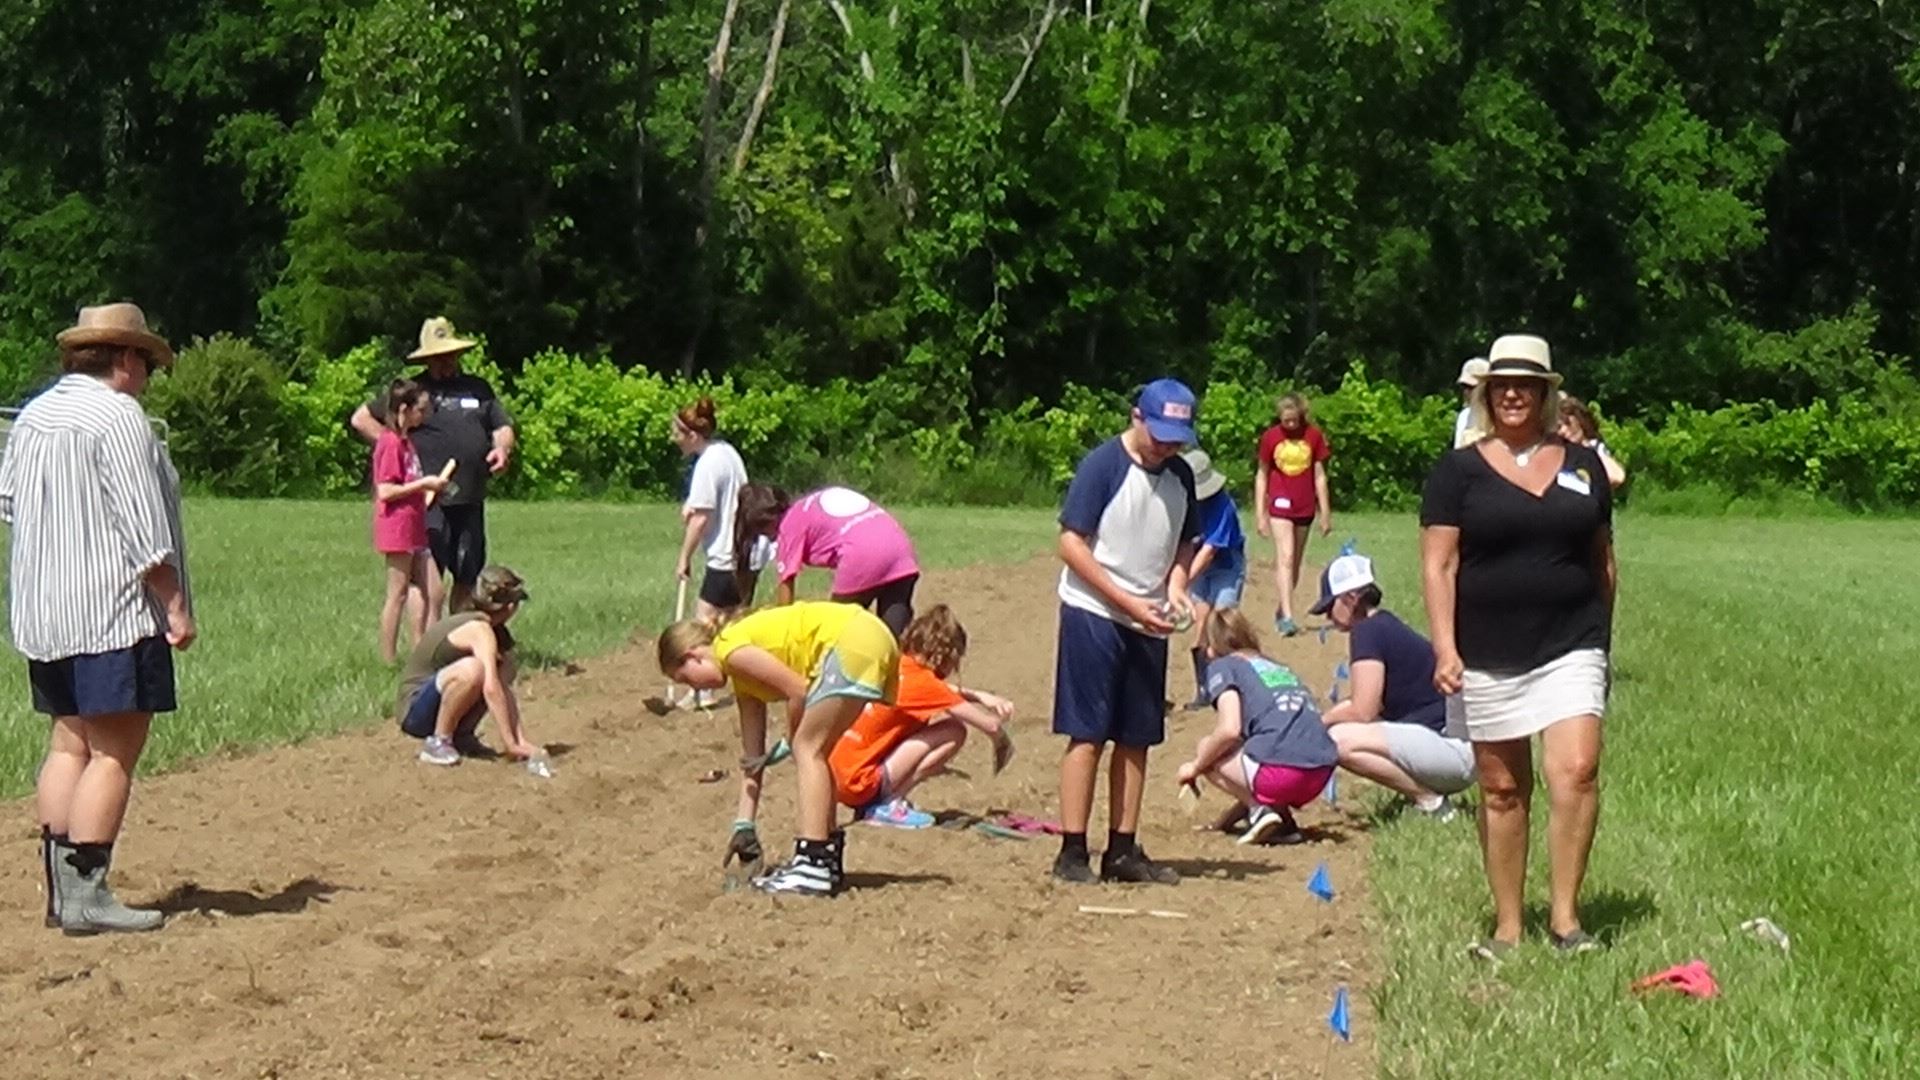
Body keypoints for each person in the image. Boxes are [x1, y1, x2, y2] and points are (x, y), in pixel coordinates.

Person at [0, 303, 194, 935]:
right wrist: (174, 606)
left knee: (68, 741)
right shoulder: (118, 418)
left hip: (45, 611)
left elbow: (9, 504)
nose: (147, 379)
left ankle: (60, 891)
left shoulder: (35, 415)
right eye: (147, 366)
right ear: (127, 358)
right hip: (111, 613)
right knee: (115, 750)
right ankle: (89, 889)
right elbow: (146, 531)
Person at [1421, 333, 1616, 960]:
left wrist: (1601, 645)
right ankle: (1508, 926)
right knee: (1503, 789)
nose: (1512, 393)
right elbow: (1439, 566)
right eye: (1501, 384)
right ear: (1486, 393)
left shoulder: (1584, 467)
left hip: (1571, 644)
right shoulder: (1458, 472)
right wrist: (1446, 648)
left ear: (1544, 393)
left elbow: (1603, 562)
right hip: (1486, 650)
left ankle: (1565, 920)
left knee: (1577, 771)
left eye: (1525, 384)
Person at [1051, 378, 1199, 886]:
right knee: (1087, 732)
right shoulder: (1102, 466)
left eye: (1176, 438)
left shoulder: (1181, 475)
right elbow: (1071, 543)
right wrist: (1128, 601)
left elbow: (1186, 542)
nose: (1166, 446)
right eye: (1159, 434)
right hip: (1094, 611)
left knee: (1137, 736)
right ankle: (1072, 852)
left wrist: (1177, 585)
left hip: (1149, 620)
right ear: (1137, 417)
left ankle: (1123, 848)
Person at [658, 600, 901, 896]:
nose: (694, 690)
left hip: (851, 639)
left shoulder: (730, 650)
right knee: (817, 751)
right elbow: (753, 760)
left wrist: (790, 738)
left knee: (808, 748)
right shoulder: (744, 683)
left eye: (685, 680)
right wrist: (743, 824)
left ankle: (811, 862)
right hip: (868, 637)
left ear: (693, 656)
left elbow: (798, 691)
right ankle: (825, 860)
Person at [351, 317, 516, 617]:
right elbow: (361, 417)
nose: (445, 362)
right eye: (438, 357)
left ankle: (456, 640)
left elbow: (502, 427)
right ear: (427, 359)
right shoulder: (415, 392)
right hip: (427, 502)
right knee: (427, 581)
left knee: (467, 574)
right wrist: (396, 447)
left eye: (450, 355)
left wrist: (501, 449)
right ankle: (428, 645)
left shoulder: (478, 389)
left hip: (469, 497)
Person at [1310, 553, 1475, 820]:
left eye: (1330, 607)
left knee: (1336, 741)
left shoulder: (1367, 632)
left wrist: (1319, 723)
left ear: (1351, 599)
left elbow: (1364, 710)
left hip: (1451, 752)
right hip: (1456, 747)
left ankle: (1430, 802)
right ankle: (1427, 796)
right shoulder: (1384, 625)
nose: (1329, 617)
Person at [830, 605, 1016, 829]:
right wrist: (1002, 744)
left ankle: (879, 801)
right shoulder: (924, 684)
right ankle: (889, 804)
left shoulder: (898, 665)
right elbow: (990, 725)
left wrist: (979, 696)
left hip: (835, 775)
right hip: (859, 783)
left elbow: (936, 691)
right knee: (954, 731)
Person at [1176, 609, 1338, 846]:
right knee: (1251, 750)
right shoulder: (1276, 666)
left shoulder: (1223, 666)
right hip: (1320, 772)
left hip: (1280, 773)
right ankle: (1283, 823)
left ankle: (1260, 812)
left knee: (1209, 747)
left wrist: (1195, 767)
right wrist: (1224, 824)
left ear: (1211, 648)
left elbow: (1229, 730)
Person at [397, 566, 543, 769]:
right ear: (510, 607)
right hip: (414, 713)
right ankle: (439, 742)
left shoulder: (494, 631)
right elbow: (491, 688)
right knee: (474, 670)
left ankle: (462, 737)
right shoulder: (478, 629)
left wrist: (520, 741)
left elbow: (501, 688)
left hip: (434, 704)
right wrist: (509, 743)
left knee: (504, 667)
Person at [732, 484, 921, 637]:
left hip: (863, 556)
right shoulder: (806, 507)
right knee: (890, 636)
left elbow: (786, 591)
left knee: (835, 631)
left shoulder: (788, 526)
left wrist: (783, 634)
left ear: (767, 522)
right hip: (901, 550)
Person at [371, 379, 450, 664]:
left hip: (415, 524)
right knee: (398, 593)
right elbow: (386, 490)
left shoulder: (406, 443)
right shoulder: (390, 443)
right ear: (404, 409)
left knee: (435, 590)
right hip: (397, 526)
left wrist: (429, 487)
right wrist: (422, 484)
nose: (424, 415)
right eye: (420, 409)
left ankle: (423, 653)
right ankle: (388, 660)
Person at [671, 397, 760, 621]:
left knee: (704, 624)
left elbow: (700, 519)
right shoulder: (726, 452)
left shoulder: (707, 464)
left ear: (692, 436)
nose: (673, 439)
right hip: (745, 555)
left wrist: (684, 559)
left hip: (725, 558)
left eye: (677, 434)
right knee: (732, 625)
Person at [1253, 393, 1331, 636]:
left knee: (1295, 562)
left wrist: (1325, 511)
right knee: (1285, 557)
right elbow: (1262, 475)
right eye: (1285, 421)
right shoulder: (1270, 438)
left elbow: (1319, 476)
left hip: (1305, 506)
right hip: (1279, 505)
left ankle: (1281, 607)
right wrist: (1260, 513)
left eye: (1293, 421)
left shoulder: (1314, 436)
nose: (1289, 426)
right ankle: (1288, 616)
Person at [1177, 448, 1246, 711]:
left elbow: (1209, 551)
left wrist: (1182, 580)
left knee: (1222, 623)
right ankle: (1204, 688)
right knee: (1200, 627)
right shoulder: (1182, 502)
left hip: (1226, 567)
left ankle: (1231, 684)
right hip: (1197, 567)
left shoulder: (1223, 506)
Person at [1557, 396, 1628, 490]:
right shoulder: (1559, 456)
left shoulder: (1594, 447)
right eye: (1559, 427)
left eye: (1568, 424)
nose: (1564, 431)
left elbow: (1616, 477)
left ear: (1580, 421)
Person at [1453, 358, 1489, 449]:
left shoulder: (1499, 417)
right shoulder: (1464, 416)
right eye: (1464, 387)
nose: (1466, 392)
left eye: (1471, 387)